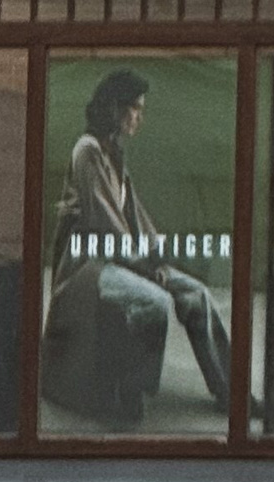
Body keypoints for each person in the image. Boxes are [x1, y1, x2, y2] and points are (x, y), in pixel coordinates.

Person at [41, 67, 235, 421]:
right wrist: (148, 266)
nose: (139, 117)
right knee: (153, 300)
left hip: (120, 258)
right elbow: (106, 224)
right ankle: (128, 396)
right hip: (88, 265)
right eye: (135, 109)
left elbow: (135, 217)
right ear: (114, 107)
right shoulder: (88, 151)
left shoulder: (113, 152)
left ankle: (229, 390)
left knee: (196, 294)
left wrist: (157, 259)